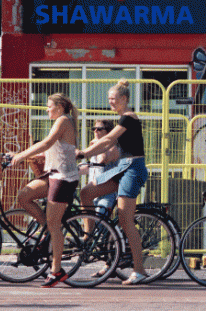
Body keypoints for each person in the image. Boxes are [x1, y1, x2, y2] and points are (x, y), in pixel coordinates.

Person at [76, 79, 151, 284]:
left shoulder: (129, 118)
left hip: (133, 169)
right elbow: (109, 148)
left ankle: (140, 270)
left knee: (125, 220)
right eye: (109, 99)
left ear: (125, 99)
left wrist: (83, 152)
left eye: (114, 99)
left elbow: (108, 141)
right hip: (122, 168)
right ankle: (88, 238)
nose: (110, 102)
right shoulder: (122, 120)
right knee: (86, 193)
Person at [9, 93, 79, 288]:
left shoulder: (64, 121)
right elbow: (51, 149)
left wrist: (22, 155)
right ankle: (47, 230)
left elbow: (47, 142)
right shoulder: (60, 121)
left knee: (55, 224)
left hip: (63, 178)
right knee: (24, 196)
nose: (47, 110)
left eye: (49, 106)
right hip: (52, 175)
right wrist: (16, 155)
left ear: (60, 107)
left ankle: (56, 271)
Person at [86, 118, 120, 216]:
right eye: (94, 128)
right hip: (94, 192)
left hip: (107, 193)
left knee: (100, 223)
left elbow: (102, 160)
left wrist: (98, 144)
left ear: (108, 132)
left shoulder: (113, 148)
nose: (95, 131)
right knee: (90, 222)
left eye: (99, 129)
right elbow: (93, 167)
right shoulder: (98, 148)